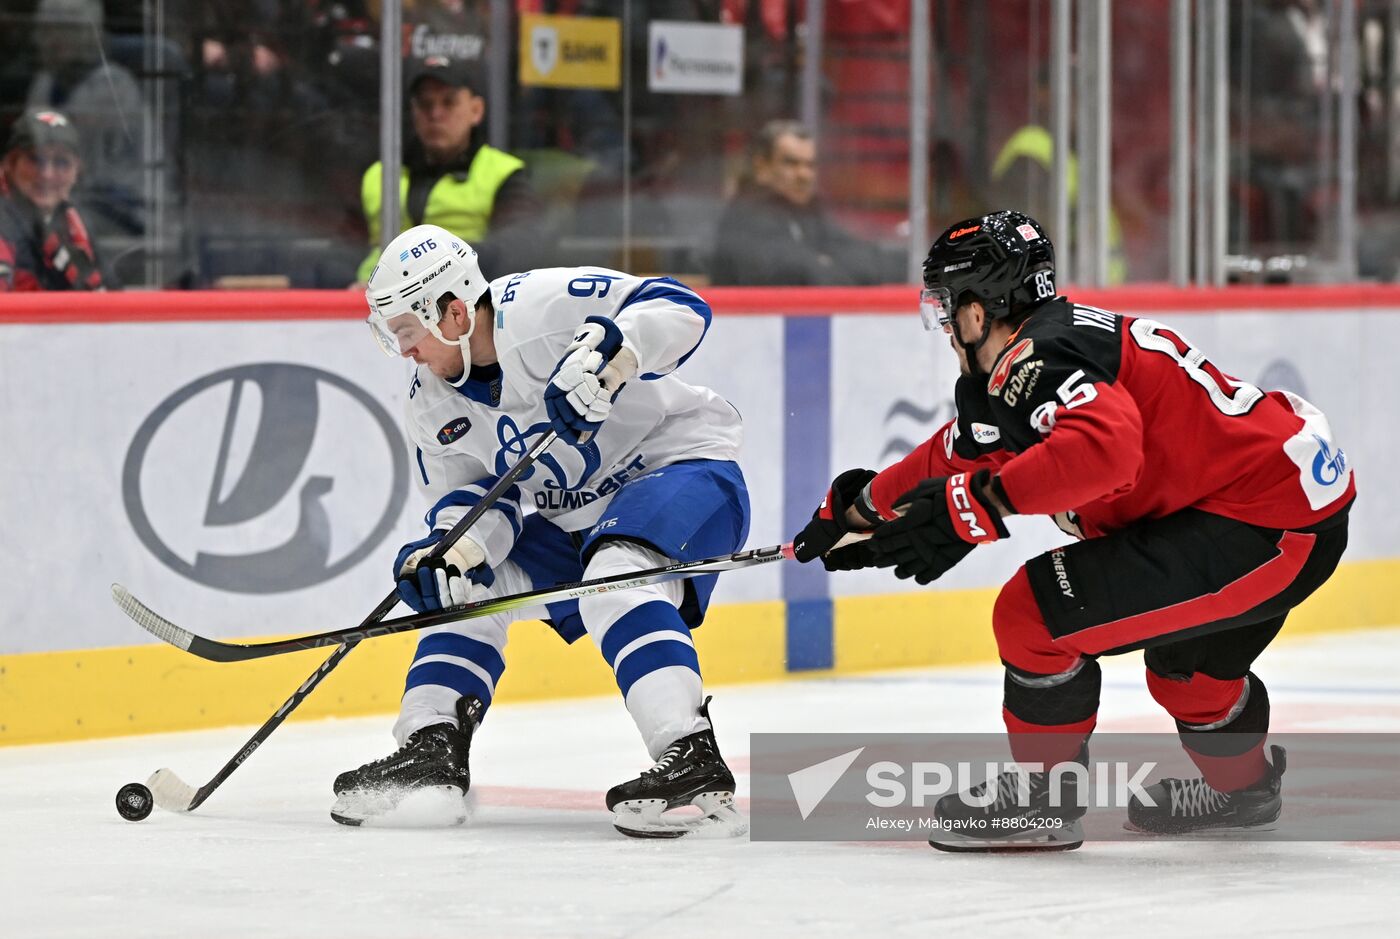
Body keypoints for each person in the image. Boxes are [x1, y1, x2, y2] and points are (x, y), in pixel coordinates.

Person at [792, 209, 1354, 852]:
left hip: (1260, 525)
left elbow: (1107, 451)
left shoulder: (1037, 356)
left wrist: (981, 503)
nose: (946, 328)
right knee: (1187, 677)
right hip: (1285, 513)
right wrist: (860, 506)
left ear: (978, 309)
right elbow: (963, 450)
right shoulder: (1048, 346)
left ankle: (1042, 802)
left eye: (947, 309)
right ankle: (1245, 791)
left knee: (1033, 615)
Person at [335, 222, 749, 838]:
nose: (405, 351)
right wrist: (454, 550)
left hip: (679, 468)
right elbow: (473, 496)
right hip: (572, 516)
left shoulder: (543, 307)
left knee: (617, 574)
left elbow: (681, 306)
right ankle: (431, 751)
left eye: (406, 331)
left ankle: (692, 760)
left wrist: (610, 359)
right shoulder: (430, 401)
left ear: (451, 312)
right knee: (464, 589)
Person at [355, 56, 543, 284]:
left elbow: (518, 248)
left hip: (460, 305)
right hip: (368, 302)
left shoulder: (504, 174)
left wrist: (432, 265)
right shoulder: (380, 173)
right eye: (425, 104)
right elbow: (343, 244)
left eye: (449, 102)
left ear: (476, 110)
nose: (435, 114)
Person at [709, 119, 901, 286]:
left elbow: (871, 263)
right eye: (791, 163)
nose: (804, 175)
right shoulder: (746, 216)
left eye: (810, 165)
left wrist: (825, 265)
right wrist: (824, 263)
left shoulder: (809, 212)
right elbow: (796, 275)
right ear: (762, 166)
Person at [25, 0, 149, 239]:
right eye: (44, 30)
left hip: (118, 209)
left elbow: (76, 163)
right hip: (62, 201)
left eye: (56, 31)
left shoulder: (114, 85)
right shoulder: (44, 83)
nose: (44, 40)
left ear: (83, 35)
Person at [0, 109, 106, 291]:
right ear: (10, 165)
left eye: (61, 162)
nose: (47, 174)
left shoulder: (77, 225)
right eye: (35, 159)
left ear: (76, 173)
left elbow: (111, 295)